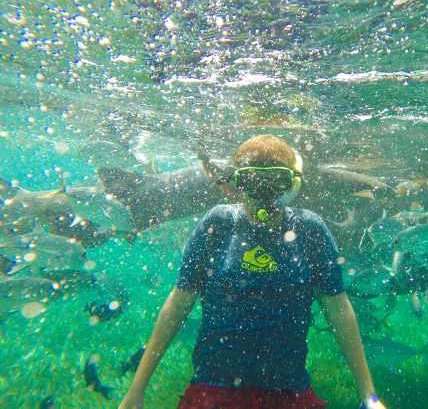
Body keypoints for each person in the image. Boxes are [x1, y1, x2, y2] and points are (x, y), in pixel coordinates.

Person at [119, 135, 386, 409]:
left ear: (293, 185)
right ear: (235, 184)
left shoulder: (310, 229)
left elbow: (339, 308)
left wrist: (369, 394)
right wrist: (136, 391)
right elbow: (178, 304)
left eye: (277, 182)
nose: (265, 195)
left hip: (288, 390)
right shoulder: (218, 223)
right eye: (251, 182)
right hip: (213, 389)